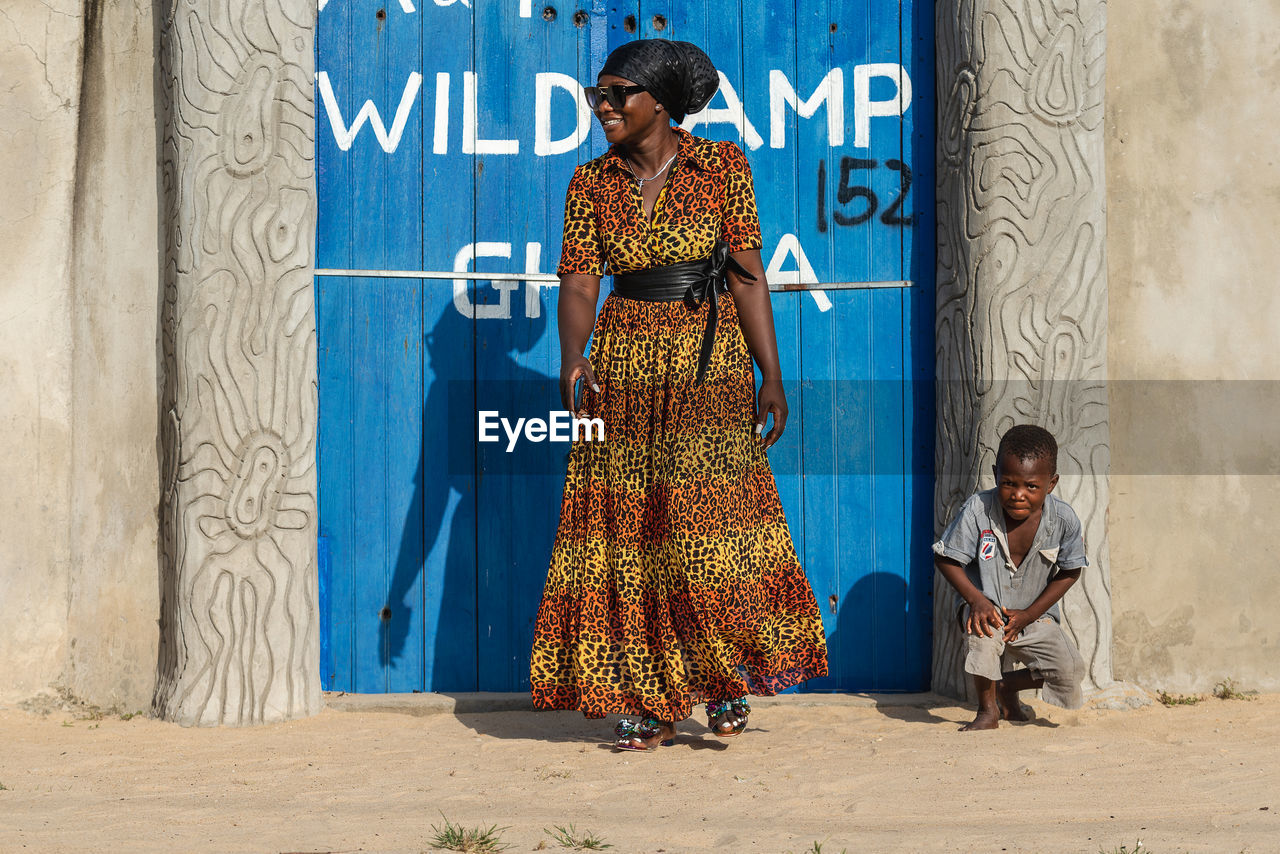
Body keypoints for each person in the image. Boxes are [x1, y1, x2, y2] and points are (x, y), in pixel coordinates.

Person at [529, 39, 828, 751]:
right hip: (625, 365)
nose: (600, 107)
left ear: (657, 102)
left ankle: (722, 676)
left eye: (615, 94)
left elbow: (748, 276)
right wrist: (574, 359)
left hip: (709, 366)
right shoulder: (590, 184)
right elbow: (578, 282)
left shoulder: (722, 167)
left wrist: (772, 376)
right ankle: (654, 701)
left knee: (709, 530)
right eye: (593, 95)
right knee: (631, 535)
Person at [933, 424, 1088, 731]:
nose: (1018, 495)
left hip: (1034, 615)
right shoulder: (979, 509)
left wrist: (1030, 614)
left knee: (1069, 668)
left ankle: (1007, 687)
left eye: (1031, 486)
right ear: (995, 475)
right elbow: (945, 557)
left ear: (1051, 483)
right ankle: (988, 711)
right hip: (985, 607)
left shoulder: (1064, 520)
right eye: (1008, 483)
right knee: (984, 637)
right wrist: (975, 600)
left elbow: (1070, 571)